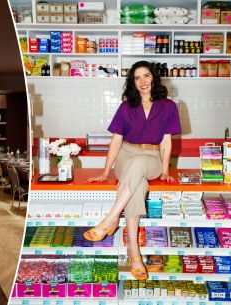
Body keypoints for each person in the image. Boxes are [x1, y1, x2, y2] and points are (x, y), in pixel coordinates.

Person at [83, 61, 181, 280]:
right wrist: (106, 172)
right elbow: (116, 142)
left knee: (138, 167)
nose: (143, 81)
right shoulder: (126, 107)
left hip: (152, 157)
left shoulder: (169, 106)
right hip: (126, 155)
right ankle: (133, 251)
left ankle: (111, 219)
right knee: (138, 184)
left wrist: (165, 170)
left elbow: (166, 143)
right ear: (133, 83)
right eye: (137, 78)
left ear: (154, 78)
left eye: (146, 76)